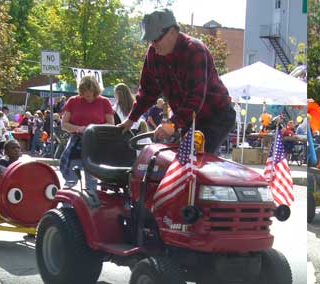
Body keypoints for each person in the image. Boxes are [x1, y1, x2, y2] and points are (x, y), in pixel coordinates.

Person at [118, 8, 235, 155]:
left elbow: (195, 97)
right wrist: (130, 120)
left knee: (194, 159)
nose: (153, 44)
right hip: (188, 117)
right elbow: (147, 92)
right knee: (172, 159)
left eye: (156, 39)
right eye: (150, 40)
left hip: (216, 115)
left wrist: (170, 125)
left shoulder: (194, 50)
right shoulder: (153, 54)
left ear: (172, 32)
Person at [60, 75, 114, 205]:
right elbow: (64, 124)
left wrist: (91, 129)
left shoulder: (104, 102)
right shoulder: (73, 101)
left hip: (95, 146)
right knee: (71, 180)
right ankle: (65, 209)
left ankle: (91, 211)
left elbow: (110, 125)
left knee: (92, 182)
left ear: (95, 90)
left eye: (90, 93)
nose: (87, 96)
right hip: (77, 144)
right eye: (84, 93)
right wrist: (79, 128)